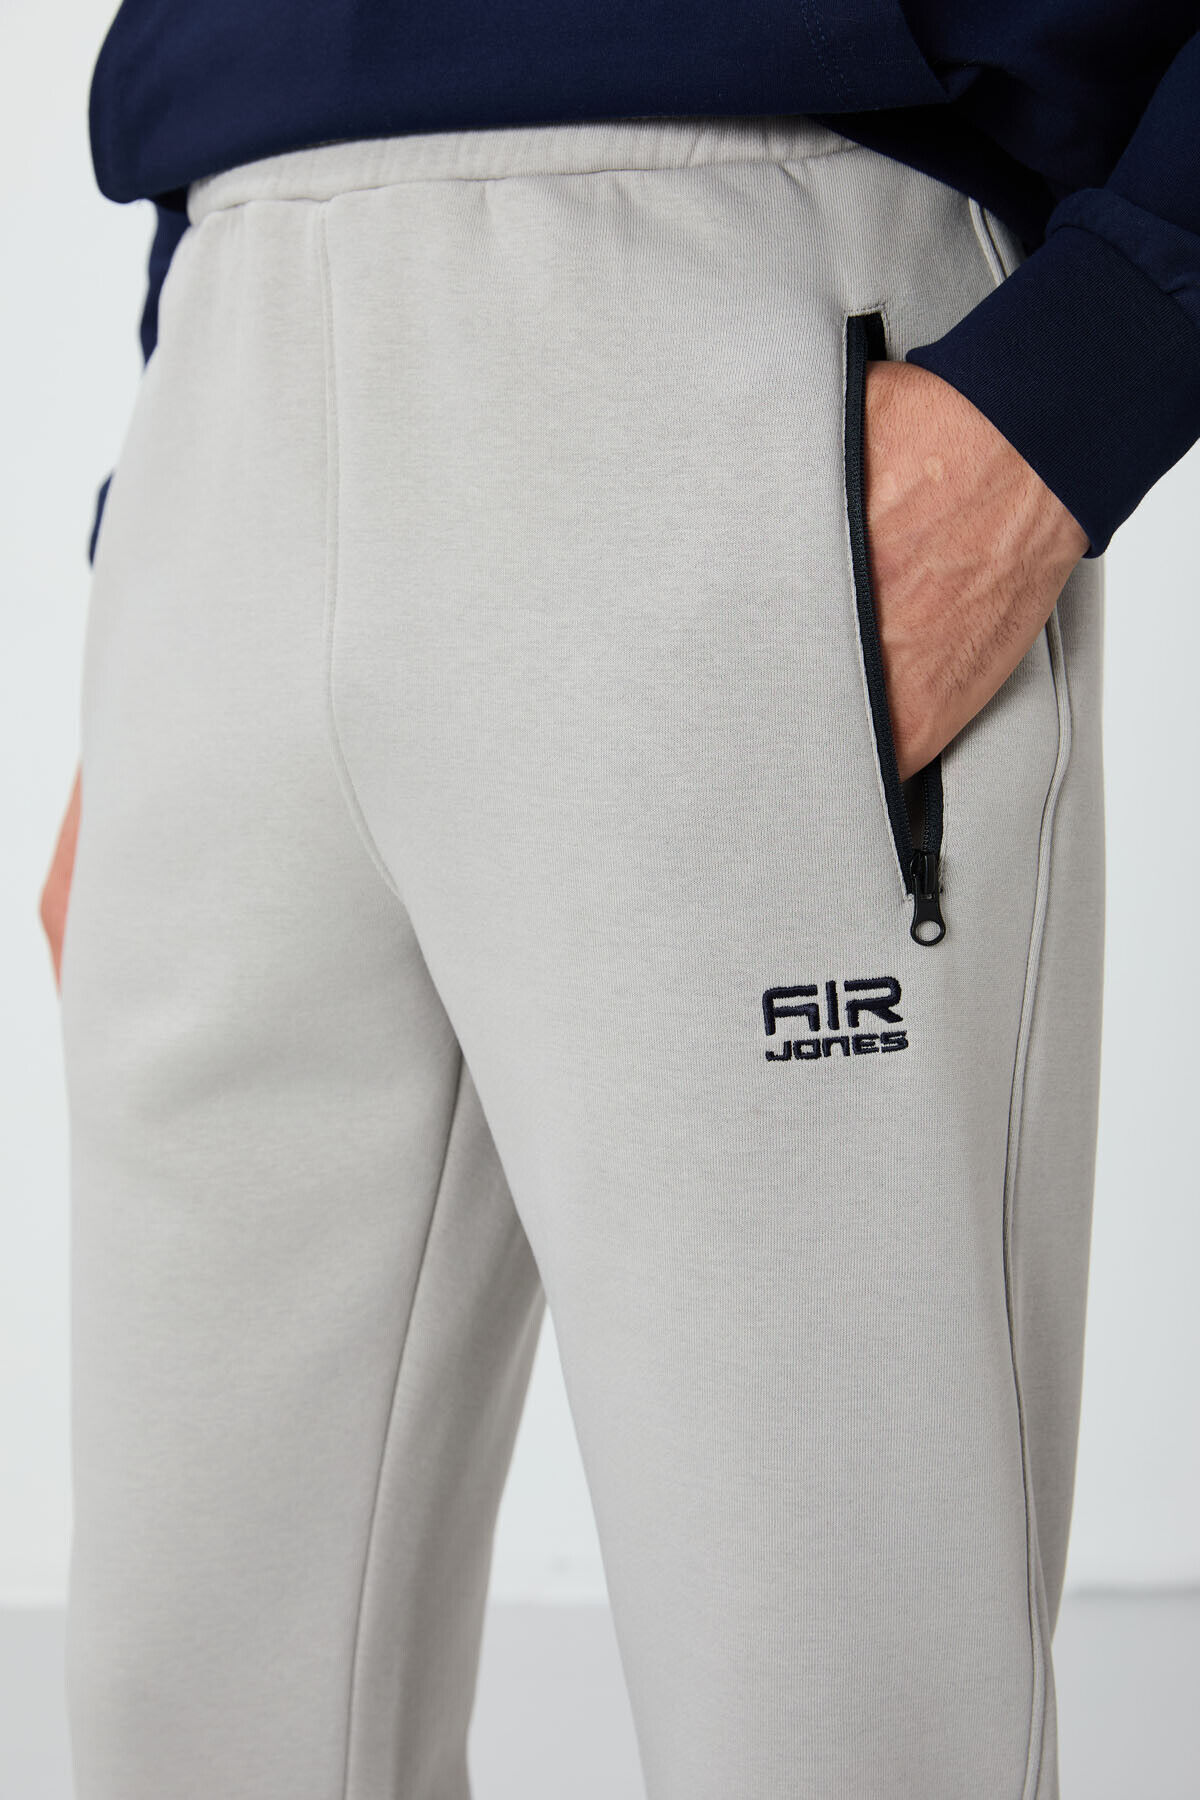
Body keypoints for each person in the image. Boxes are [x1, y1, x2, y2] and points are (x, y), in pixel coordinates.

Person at [39, 5, 1199, 1797]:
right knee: (190, 1724)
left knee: (829, 1714)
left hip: (745, 281)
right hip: (232, 342)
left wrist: (1085, 373)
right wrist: (148, 541)